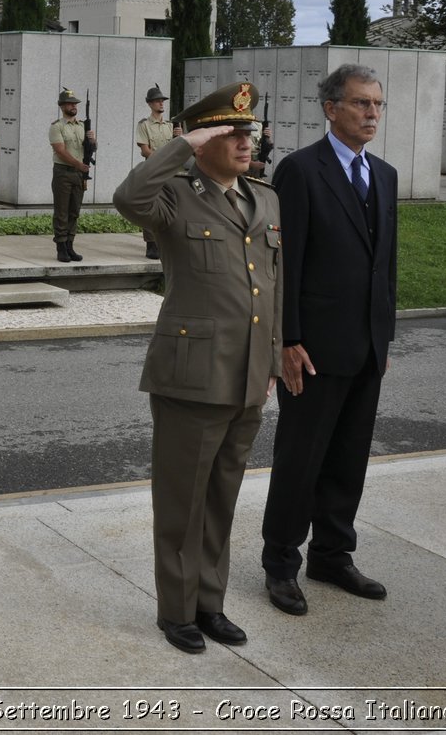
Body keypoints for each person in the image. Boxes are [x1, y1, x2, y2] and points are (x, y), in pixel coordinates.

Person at [112, 81, 281, 654]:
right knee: (183, 501)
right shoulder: (176, 195)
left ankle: (211, 603)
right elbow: (128, 199)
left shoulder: (265, 197)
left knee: (222, 497)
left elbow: (271, 288)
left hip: (248, 375)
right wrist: (183, 145)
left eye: (248, 130)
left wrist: (273, 358)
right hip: (191, 373)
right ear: (204, 138)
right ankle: (177, 611)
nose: (243, 140)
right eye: (229, 131)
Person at [260, 63, 398, 617]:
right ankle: (280, 563)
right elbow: (284, 264)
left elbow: (385, 265)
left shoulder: (383, 175)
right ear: (331, 108)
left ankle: (333, 554)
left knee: (349, 458)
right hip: (312, 349)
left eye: (377, 105)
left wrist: (383, 340)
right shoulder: (300, 171)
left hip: (365, 345)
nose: (371, 114)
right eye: (361, 103)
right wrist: (287, 340)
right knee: (302, 456)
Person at [48, 88, 94, 262]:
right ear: (62, 106)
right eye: (70, 103)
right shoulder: (57, 127)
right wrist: (78, 165)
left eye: (75, 103)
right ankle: (61, 246)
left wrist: (93, 140)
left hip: (78, 174)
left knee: (74, 211)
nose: (74, 106)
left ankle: (70, 245)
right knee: (62, 211)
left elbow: (90, 149)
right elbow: (60, 151)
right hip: (63, 172)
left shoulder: (83, 126)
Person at [134, 84, 172, 260]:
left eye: (162, 100)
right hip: (153, 168)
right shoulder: (144, 125)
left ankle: (166, 241)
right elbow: (145, 150)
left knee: (169, 205)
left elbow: (177, 148)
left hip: (170, 170)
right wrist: (161, 160)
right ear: (150, 104)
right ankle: (151, 243)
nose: (161, 103)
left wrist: (179, 137)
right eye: (157, 101)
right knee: (150, 205)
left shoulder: (171, 125)